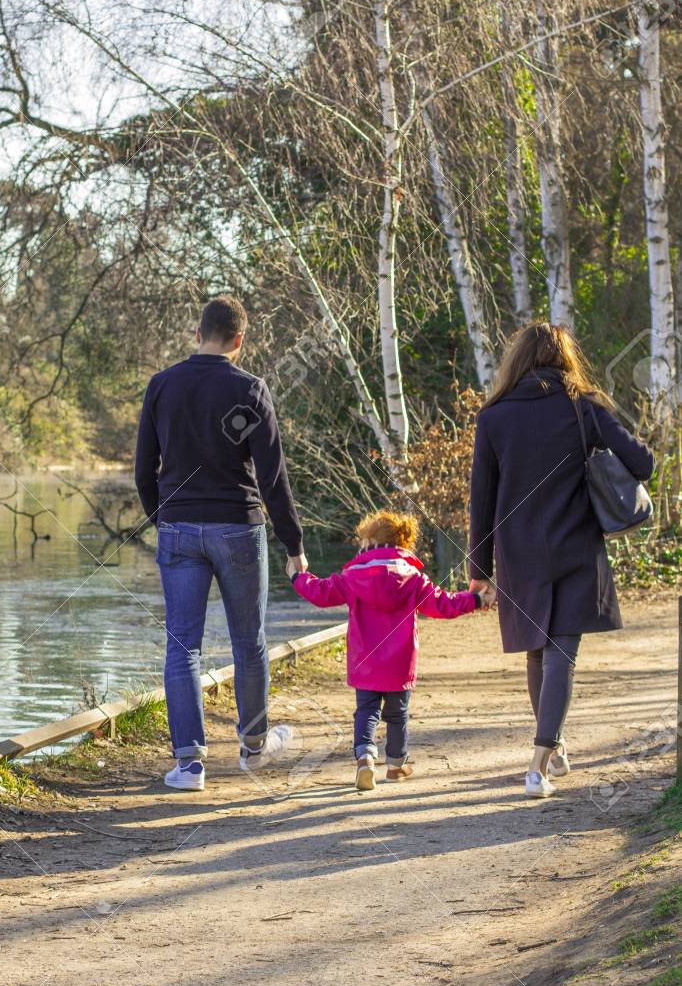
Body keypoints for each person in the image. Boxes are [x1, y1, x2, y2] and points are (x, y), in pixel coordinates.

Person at [468, 321, 654, 799]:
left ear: (518, 361)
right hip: (575, 546)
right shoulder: (583, 404)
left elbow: (481, 500)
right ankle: (538, 766)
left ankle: (552, 750)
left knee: (539, 651)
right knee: (561, 655)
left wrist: (478, 570)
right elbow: (643, 464)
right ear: (564, 358)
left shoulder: (494, 417)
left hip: (518, 551)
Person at [135, 294, 308, 792]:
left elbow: (144, 469)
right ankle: (254, 747)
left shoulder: (162, 386)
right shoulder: (250, 389)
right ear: (239, 340)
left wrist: (164, 518)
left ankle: (189, 765)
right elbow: (273, 478)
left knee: (182, 644)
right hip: (238, 524)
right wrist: (293, 544)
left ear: (197, 333)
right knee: (247, 640)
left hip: (180, 528)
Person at [290, 509, 491, 791]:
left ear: (371, 542)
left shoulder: (352, 576)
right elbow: (442, 604)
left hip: (365, 661)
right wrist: (474, 600)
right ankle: (396, 764)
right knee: (397, 714)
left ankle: (365, 759)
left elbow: (321, 593)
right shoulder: (413, 578)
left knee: (367, 711)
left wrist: (298, 578)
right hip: (400, 662)